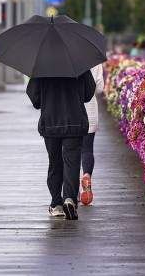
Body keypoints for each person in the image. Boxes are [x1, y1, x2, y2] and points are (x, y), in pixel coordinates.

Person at [26, 69, 96, 220]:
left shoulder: (41, 66)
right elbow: (89, 93)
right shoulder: (79, 63)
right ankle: (70, 199)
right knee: (72, 162)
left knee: (55, 162)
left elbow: (35, 99)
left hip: (50, 122)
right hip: (75, 122)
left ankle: (56, 204)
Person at [79, 64, 105, 206]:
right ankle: (86, 175)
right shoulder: (94, 59)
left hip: (72, 111)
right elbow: (99, 88)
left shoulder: (66, 56)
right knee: (87, 149)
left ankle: (72, 191)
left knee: (71, 152)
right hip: (90, 110)